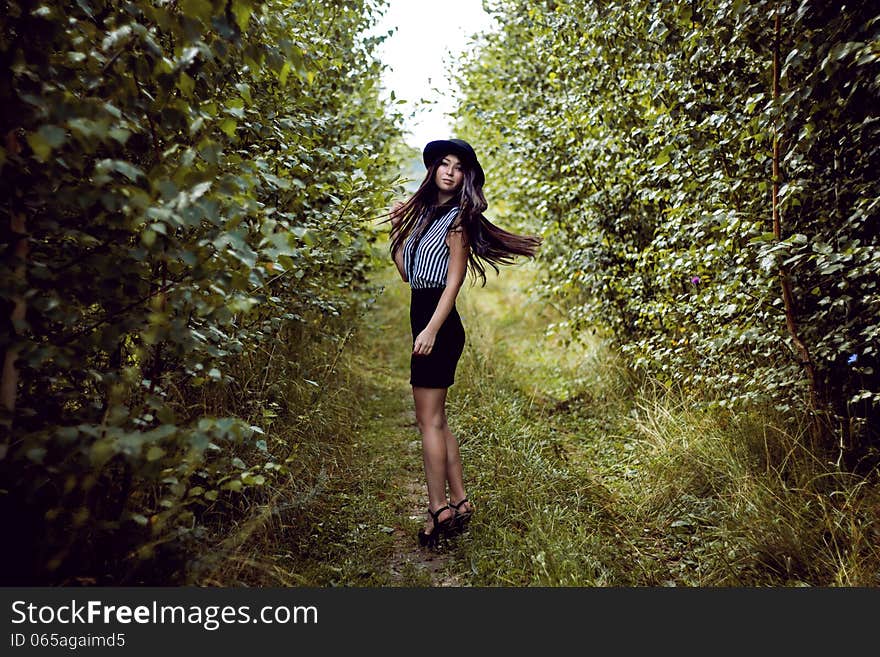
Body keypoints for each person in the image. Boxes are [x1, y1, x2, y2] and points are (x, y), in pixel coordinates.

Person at [388, 139, 541, 549]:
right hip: (423, 314)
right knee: (436, 420)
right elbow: (410, 275)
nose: (450, 171)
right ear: (434, 169)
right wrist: (397, 236)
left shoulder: (457, 219)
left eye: (458, 166)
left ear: (464, 176)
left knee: (427, 423)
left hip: (439, 322)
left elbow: (452, 281)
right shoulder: (425, 216)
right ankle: (459, 501)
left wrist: (432, 329)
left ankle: (437, 509)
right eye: (444, 164)